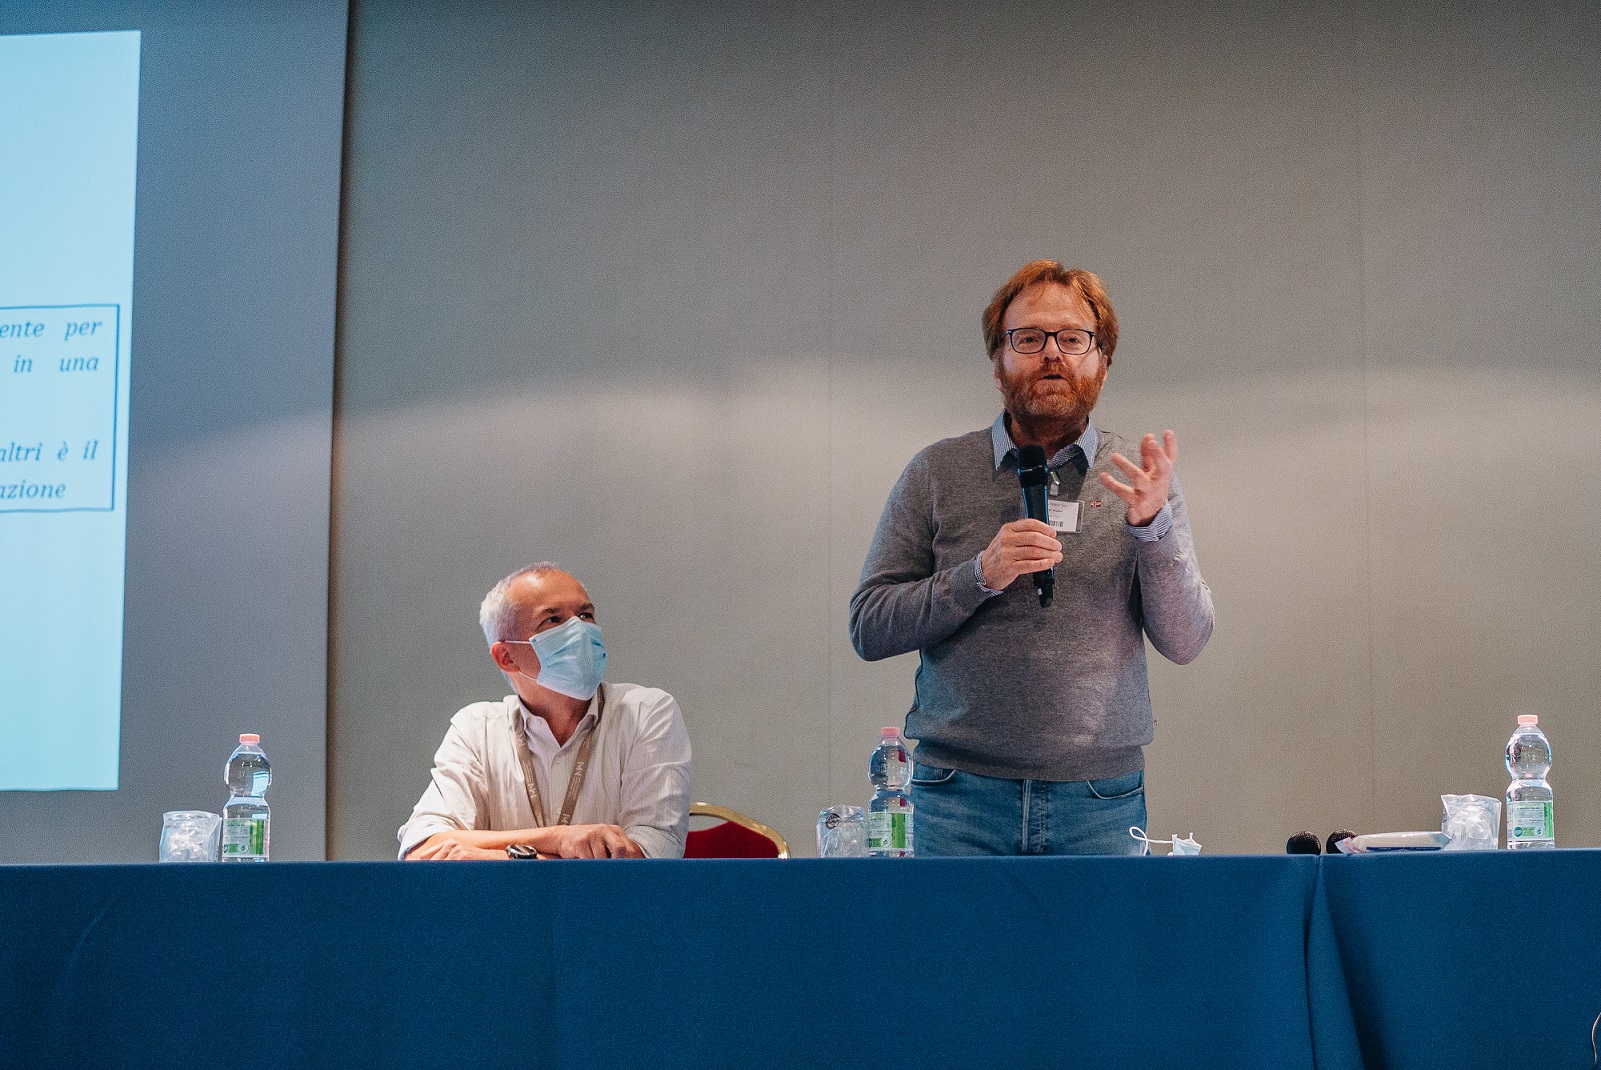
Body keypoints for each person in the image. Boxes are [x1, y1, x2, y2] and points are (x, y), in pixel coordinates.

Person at [849, 260, 1214, 856]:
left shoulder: (1139, 479)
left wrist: (1154, 529)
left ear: (1103, 362)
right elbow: (869, 625)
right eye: (1029, 338)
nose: (1051, 354)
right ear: (997, 364)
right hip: (957, 796)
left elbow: (1187, 640)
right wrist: (978, 576)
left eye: (1073, 338)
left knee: (1102, 930)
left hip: (1099, 801)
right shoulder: (937, 472)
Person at [398, 563, 691, 860]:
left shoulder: (645, 712)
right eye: (553, 619)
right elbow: (421, 848)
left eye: (585, 615)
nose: (579, 630)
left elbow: (652, 856)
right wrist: (559, 839)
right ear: (506, 656)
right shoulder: (476, 728)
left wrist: (496, 857)